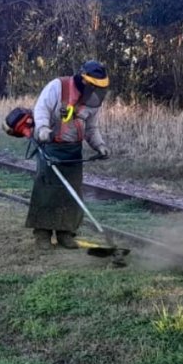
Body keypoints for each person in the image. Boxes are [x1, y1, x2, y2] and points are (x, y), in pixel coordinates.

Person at [27, 60, 110, 250]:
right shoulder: (58, 86)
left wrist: (100, 146)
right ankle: (42, 235)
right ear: (84, 80)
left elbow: (91, 128)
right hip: (51, 147)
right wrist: (43, 130)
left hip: (74, 151)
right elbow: (41, 110)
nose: (97, 90)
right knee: (47, 191)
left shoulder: (93, 101)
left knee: (71, 193)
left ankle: (65, 233)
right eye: (94, 86)